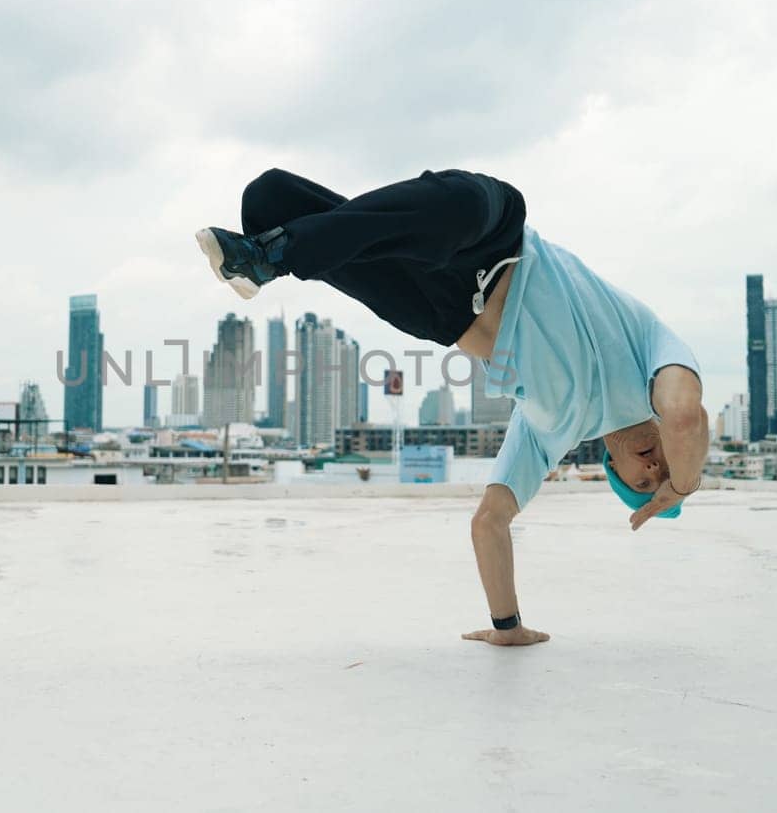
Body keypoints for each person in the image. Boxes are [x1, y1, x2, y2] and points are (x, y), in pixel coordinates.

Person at [195, 168, 707, 647]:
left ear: (611, 469)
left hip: (441, 312)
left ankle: (270, 250)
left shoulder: (547, 434)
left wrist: (506, 626)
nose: (653, 467)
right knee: (454, 203)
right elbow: (686, 417)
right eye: (663, 466)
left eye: (643, 481)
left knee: (271, 200)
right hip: (498, 241)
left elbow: (490, 521)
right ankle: (278, 253)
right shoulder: (653, 361)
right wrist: (682, 486)